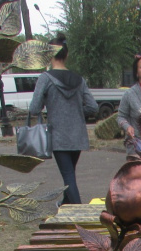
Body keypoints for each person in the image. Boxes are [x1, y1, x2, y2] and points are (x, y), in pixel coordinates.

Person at [29, 33, 99, 205]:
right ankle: (65, 202)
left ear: (49, 56)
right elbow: (93, 107)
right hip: (78, 135)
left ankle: (79, 212)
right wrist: (75, 110)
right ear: (66, 55)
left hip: (58, 136)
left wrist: (52, 106)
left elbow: (33, 108)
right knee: (70, 174)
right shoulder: (79, 79)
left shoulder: (45, 78)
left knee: (68, 175)